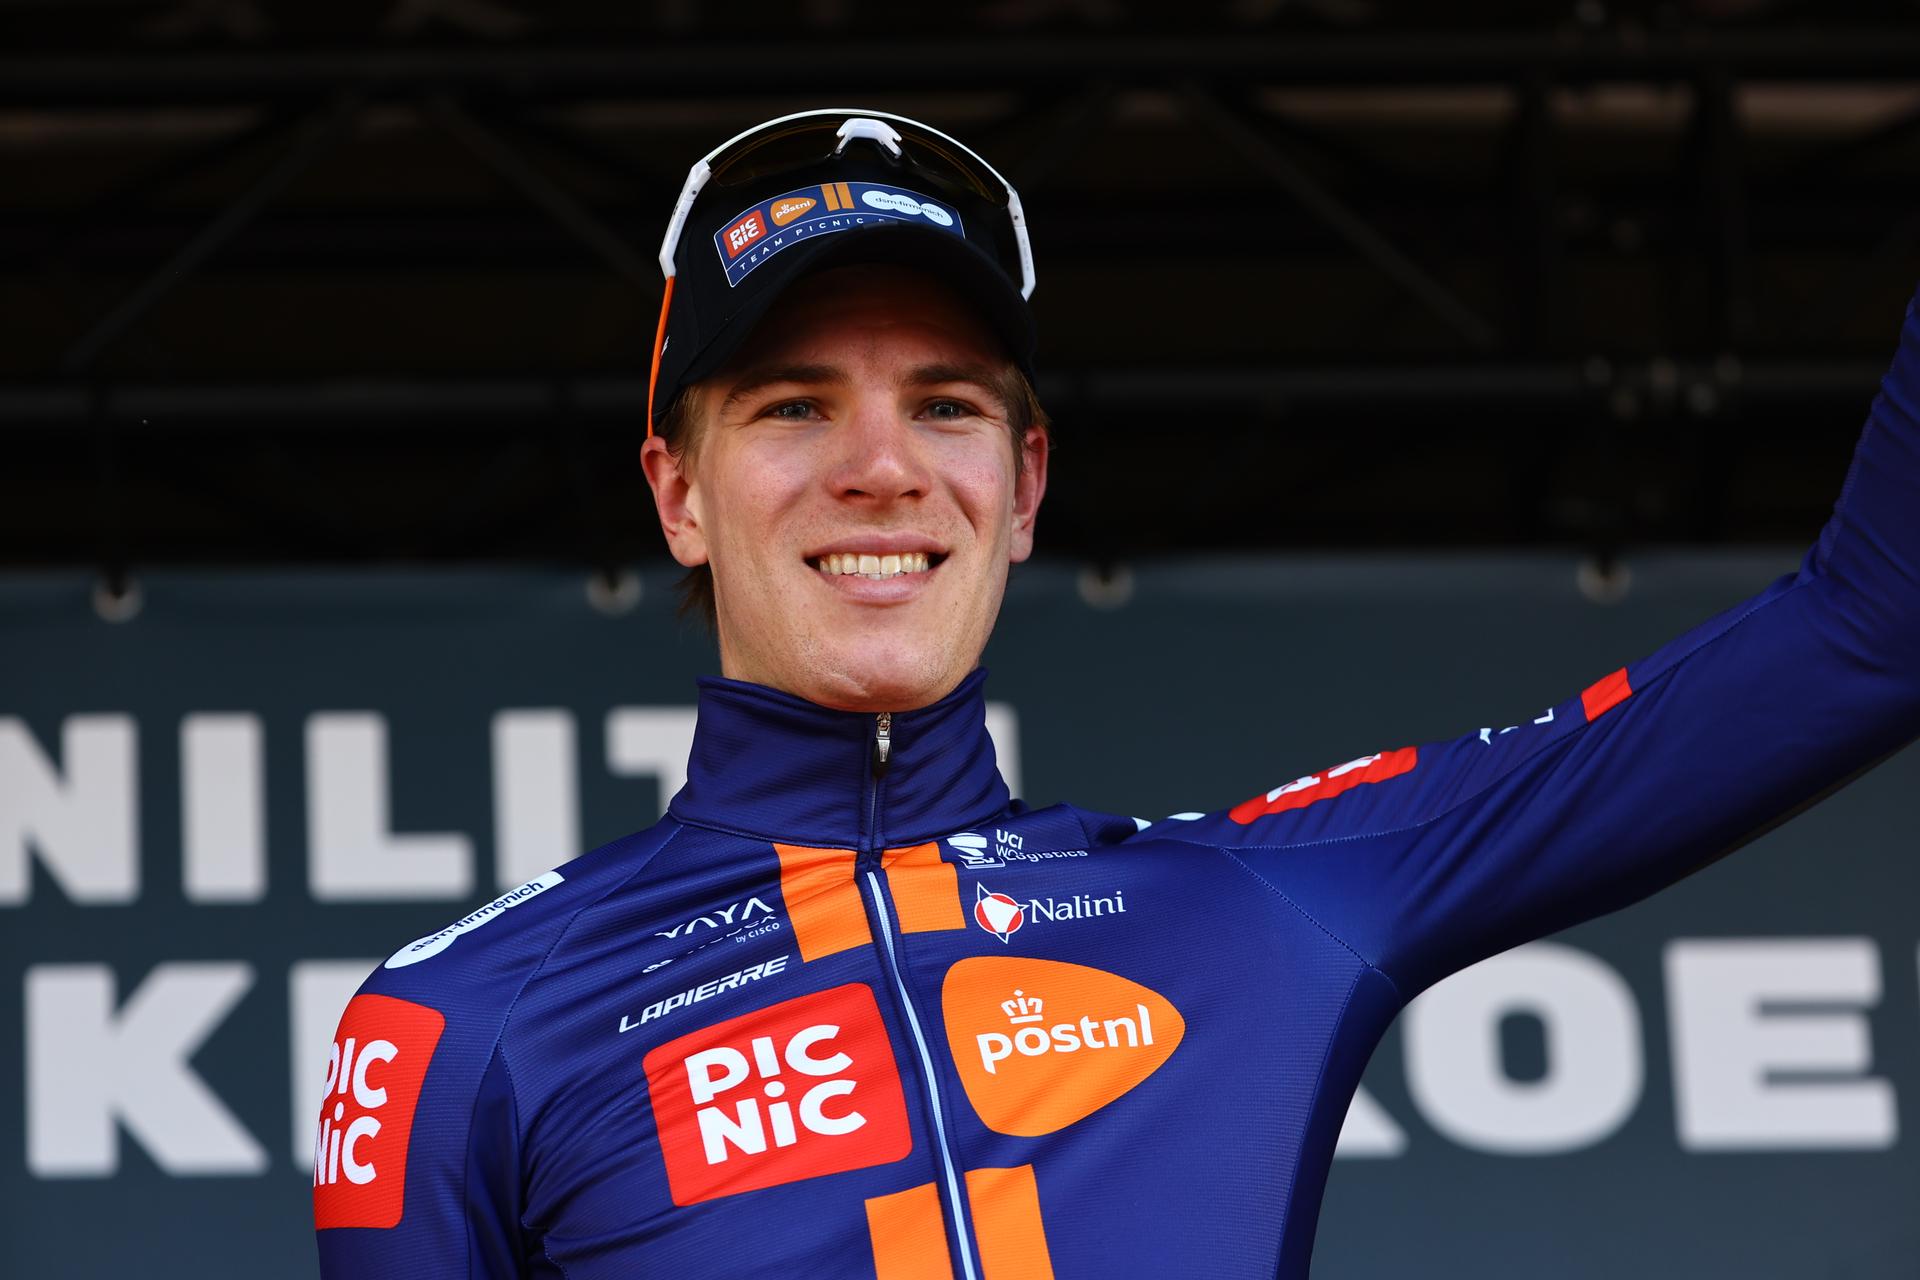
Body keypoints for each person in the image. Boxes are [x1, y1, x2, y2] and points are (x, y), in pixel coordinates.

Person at [314, 108, 1920, 1279]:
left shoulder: (1266, 904)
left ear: (1022, 488)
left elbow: (1872, 629)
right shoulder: (462, 1029)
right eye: (796, 407)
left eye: (944, 405)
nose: (881, 469)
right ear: (678, 495)